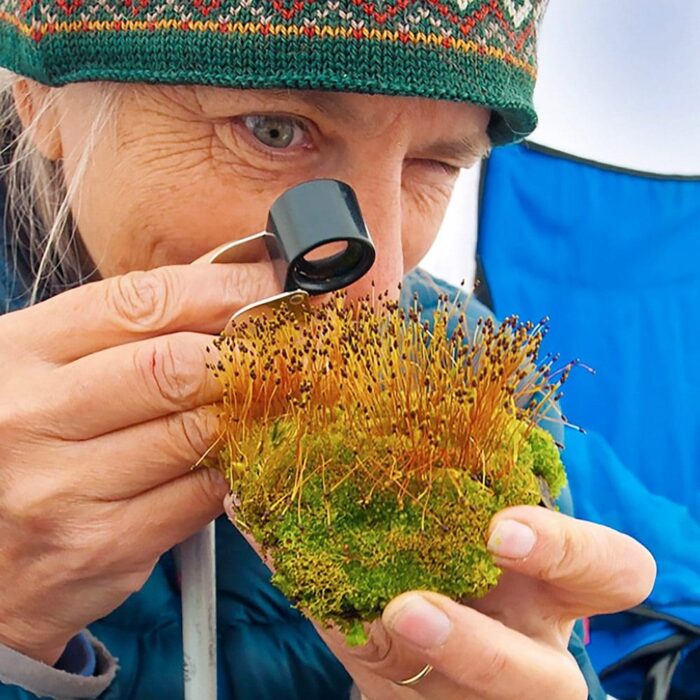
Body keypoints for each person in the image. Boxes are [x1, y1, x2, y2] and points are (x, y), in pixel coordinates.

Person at [0, 1, 655, 698]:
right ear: (41, 97)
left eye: (436, 162)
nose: (372, 292)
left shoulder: (469, 375)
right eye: (275, 131)